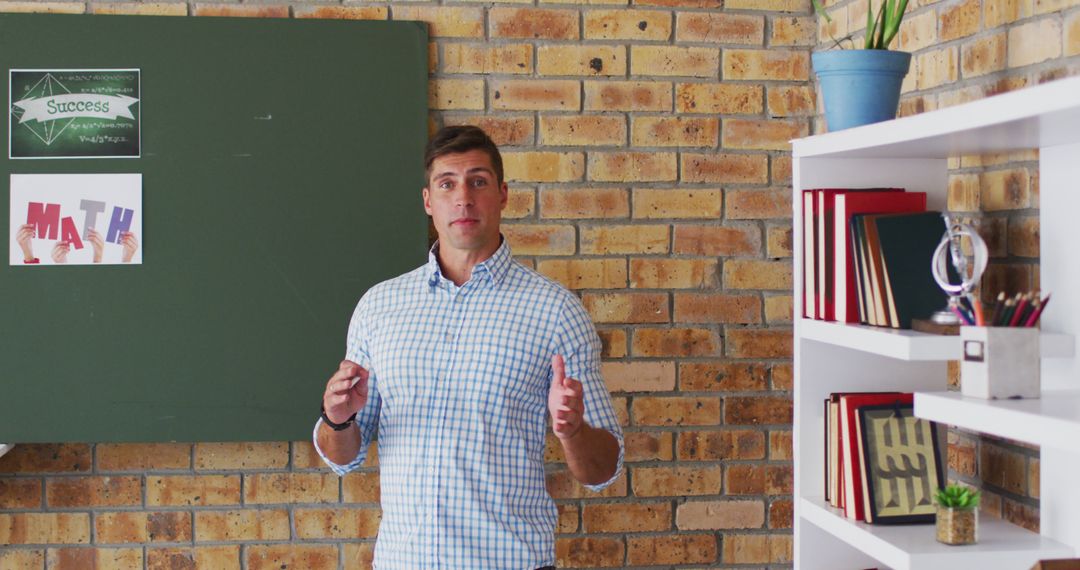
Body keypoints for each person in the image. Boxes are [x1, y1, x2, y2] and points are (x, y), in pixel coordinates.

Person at [314, 125, 623, 569]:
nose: (463, 197)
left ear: (502, 194)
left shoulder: (555, 312)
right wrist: (336, 420)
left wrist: (572, 430)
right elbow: (344, 458)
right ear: (428, 202)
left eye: (477, 181)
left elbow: (602, 470)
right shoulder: (379, 307)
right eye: (447, 184)